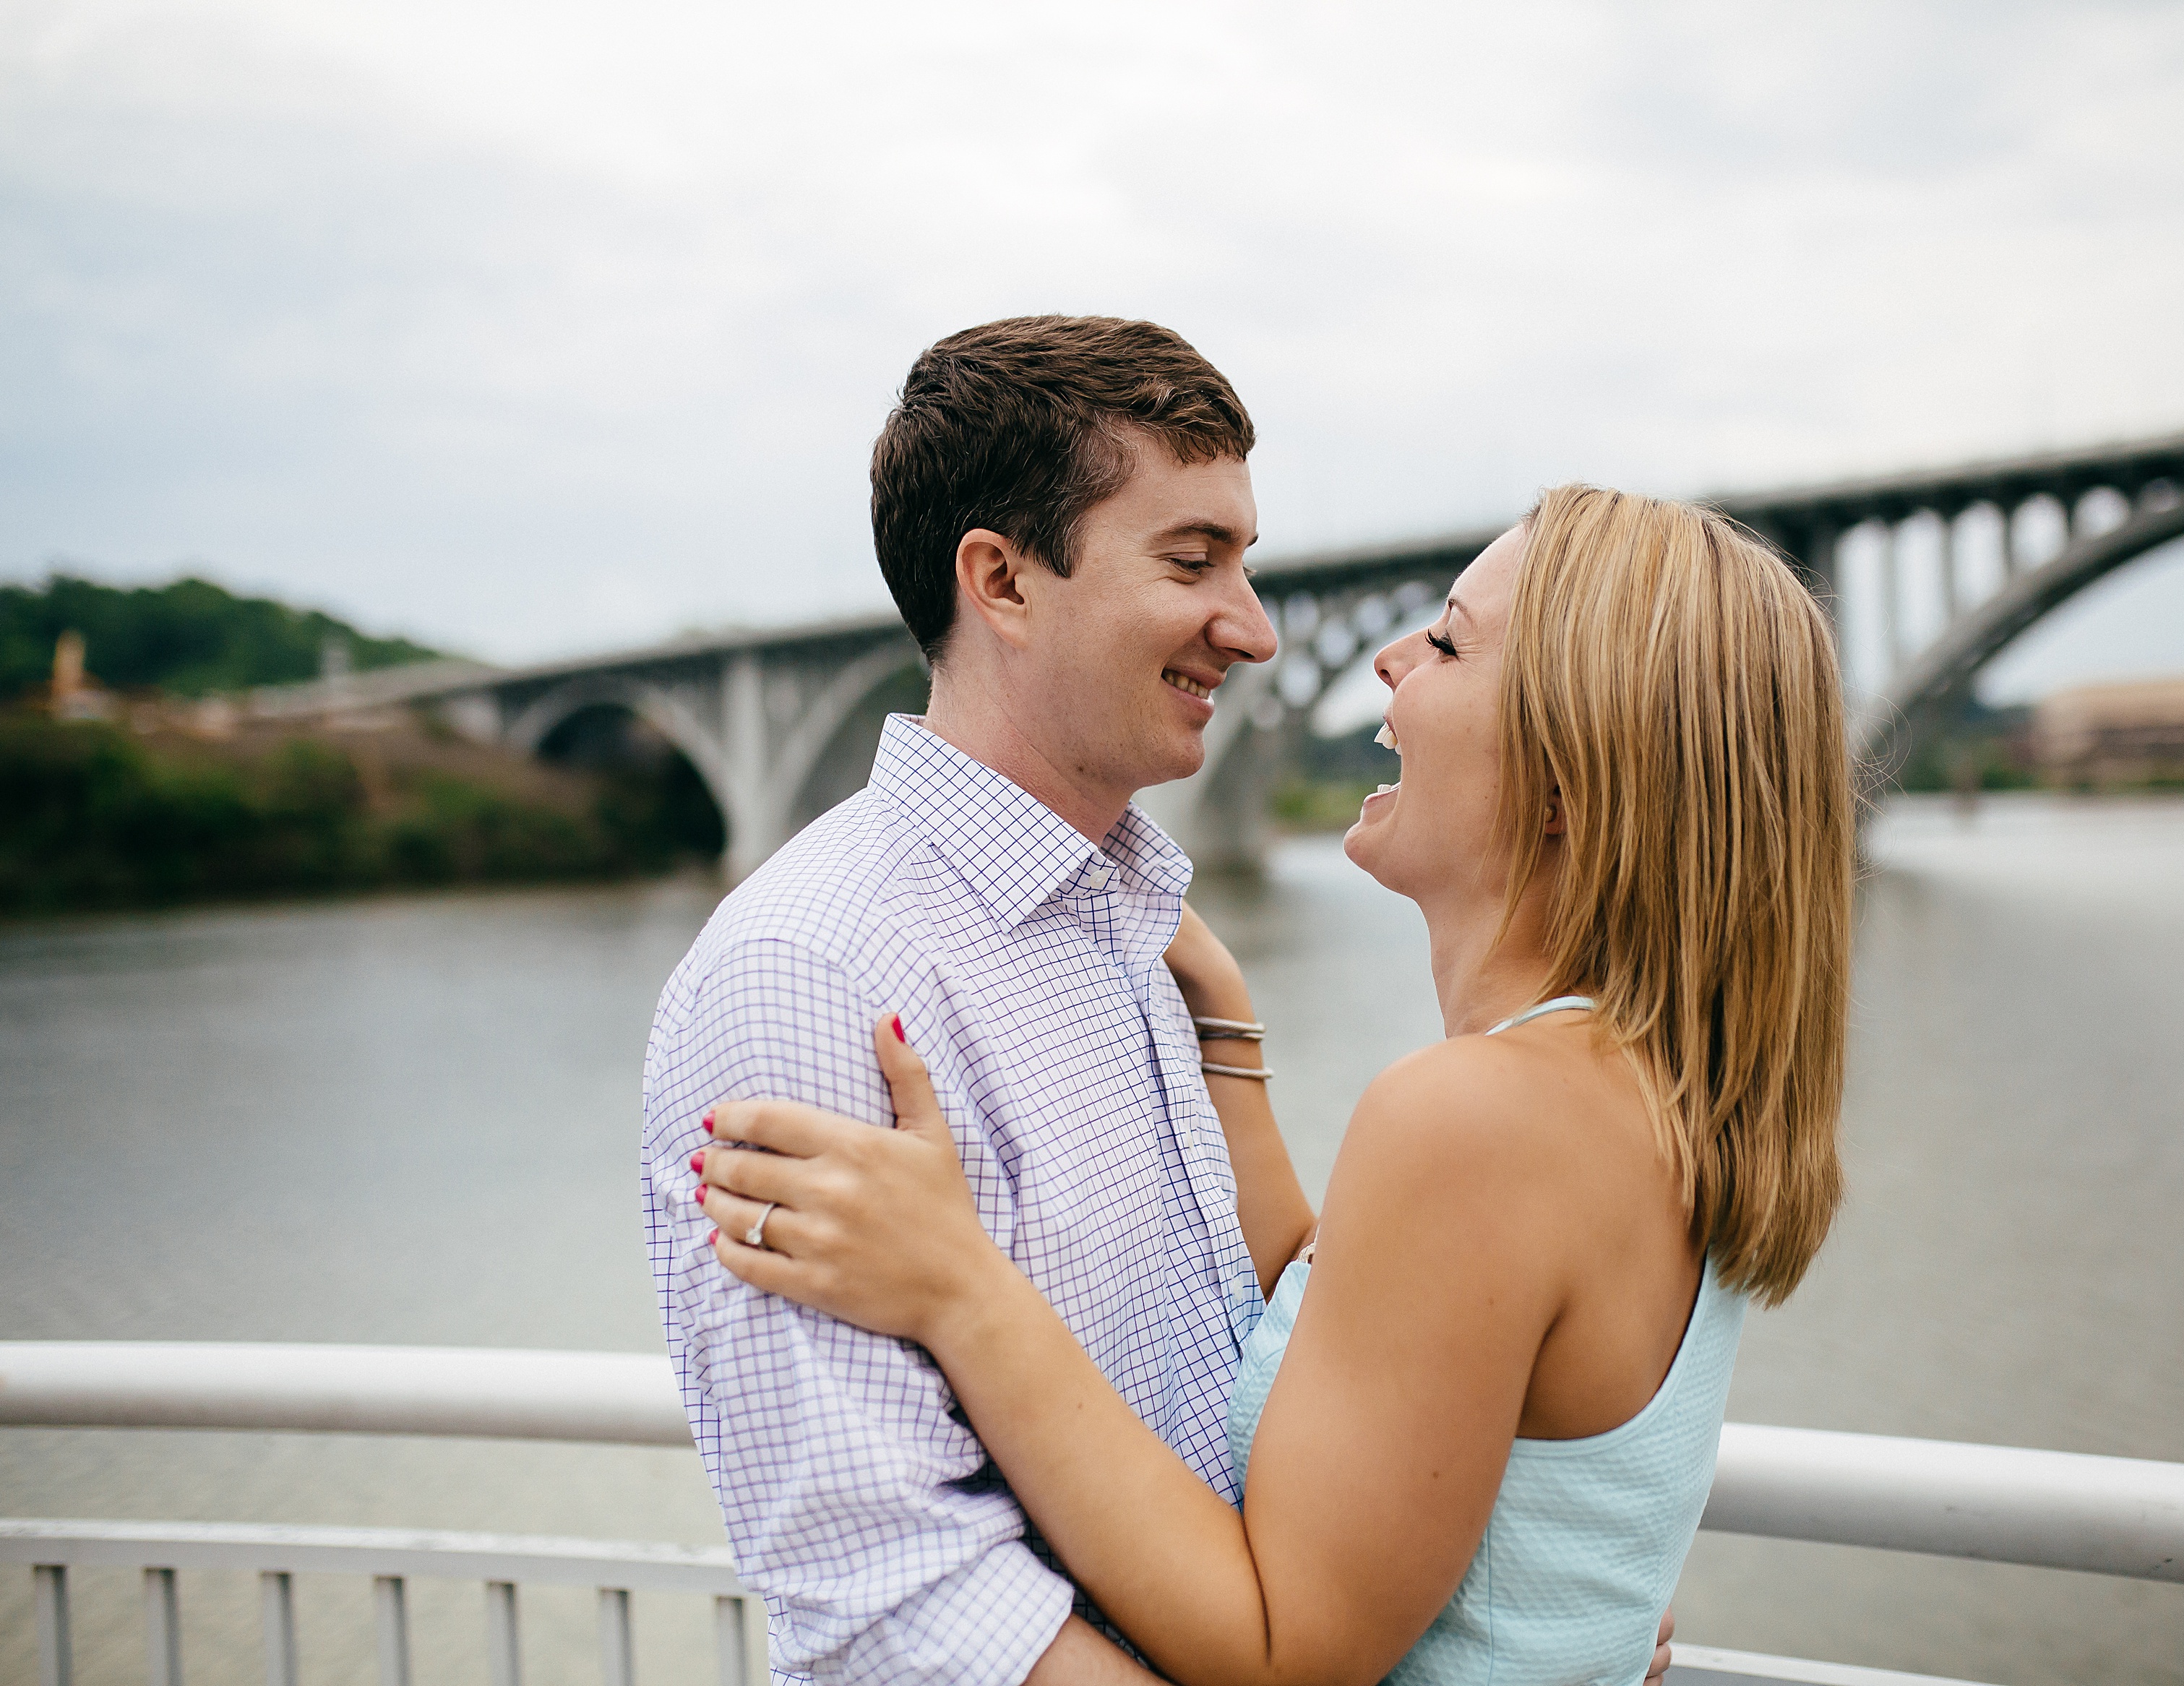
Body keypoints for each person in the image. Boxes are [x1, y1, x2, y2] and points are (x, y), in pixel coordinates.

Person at [695, 486, 1857, 1685]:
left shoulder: (1477, 1119)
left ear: (1574, 782)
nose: (1391, 661)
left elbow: (1285, 1654)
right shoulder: (1648, 1089)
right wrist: (1231, 1045)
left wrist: (960, 1289)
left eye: (1450, 642)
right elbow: (1386, 1341)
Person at [640, 314, 1287, 1684]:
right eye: (1193, 561)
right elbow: (897, 1598)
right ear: (1000, 579)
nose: (1256, 628)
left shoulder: (1133, 923)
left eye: (1248, 562)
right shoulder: (809, 975)